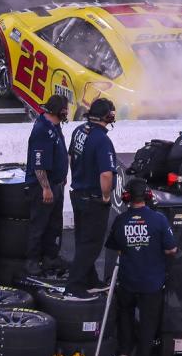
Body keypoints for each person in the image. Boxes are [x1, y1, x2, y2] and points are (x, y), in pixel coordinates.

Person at [105, 177, 177, 356]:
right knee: (148, 323)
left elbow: (113, 245)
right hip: (152, 284)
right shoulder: (159, 219)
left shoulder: (120, 220)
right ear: (147, 195)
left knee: (125, 316)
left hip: (128, 281)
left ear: (126, 196)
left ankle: (124, 353)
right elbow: (171, 249)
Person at [67, 97, 118, 299]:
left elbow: (71, 157)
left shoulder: (79, 130)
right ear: (109, 116)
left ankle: (90, 279)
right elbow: (106, 174)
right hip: (94, 199)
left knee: (82, 241)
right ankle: (74, 286)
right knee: (91, 245)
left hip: (78, 193)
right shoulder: (102, 140)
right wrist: (106, 196)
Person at [24, 94, 69, 275]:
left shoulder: (54, 126)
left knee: (54, 224)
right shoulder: (42, 130)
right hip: (43, 187)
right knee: (39, 225)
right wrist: (46, 188)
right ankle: (32, 261)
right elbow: (39, 164)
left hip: (55, 184)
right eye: (65, 109)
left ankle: (50, 257)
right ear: (60, 111)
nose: (67, 112)